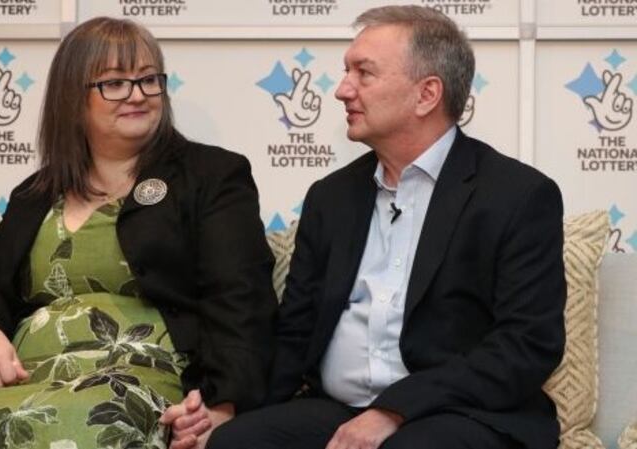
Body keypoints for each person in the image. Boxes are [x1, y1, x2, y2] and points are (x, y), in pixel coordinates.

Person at [176, 5, 566, 449]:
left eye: (364, 73)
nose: (342, 90)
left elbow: (526, 344)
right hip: (338, 409)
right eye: (346, 72)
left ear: (427, 94)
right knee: (234, 443)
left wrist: (394, 409)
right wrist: (226, 407)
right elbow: (294, 335)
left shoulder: (517, 195)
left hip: (462, 413)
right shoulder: (332, 197)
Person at [0, 17, 276, 449]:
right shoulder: (36, 193)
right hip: (25, 379)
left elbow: (240, 299)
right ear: (73, 98)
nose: (138, 94)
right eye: (114, 83)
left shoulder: (211, 175)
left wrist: (221, 407)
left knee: (83, 422)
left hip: (133, 379)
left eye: (148, 79)